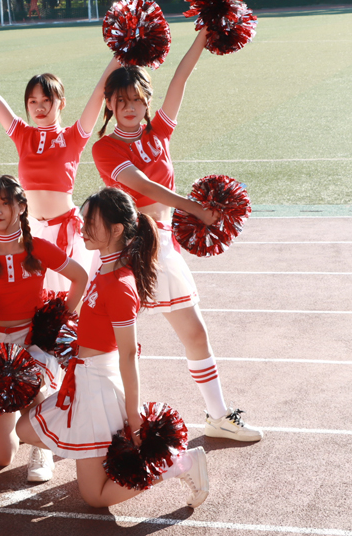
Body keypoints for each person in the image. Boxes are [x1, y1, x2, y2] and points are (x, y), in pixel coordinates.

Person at [91, 28, 262, 442]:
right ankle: (89, 418)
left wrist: (204, 34)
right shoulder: (105, 149)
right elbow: (144, 187)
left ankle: (218, 415)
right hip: (126, 251)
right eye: (120, 101)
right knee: (105, 342)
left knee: (195, 333)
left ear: (146, 101)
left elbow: (181, 78)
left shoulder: (159, 134)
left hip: (163, 248)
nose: (129, 107)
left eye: (136, 99)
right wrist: (195, 209)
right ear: (109, 104)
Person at [16, 187, 209, 508]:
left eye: (91, 222)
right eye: (83, 220)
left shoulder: (120, 285)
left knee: (95, 497)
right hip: (83, 381)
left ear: (116, 230)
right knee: (26, 429)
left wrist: (133, 415)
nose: (83, 227)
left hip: (98, 389)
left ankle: (179, 464)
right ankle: (98, 457)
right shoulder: (103, 269)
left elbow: (129, 354)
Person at [0, 174, 88, 482]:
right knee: (1, 458)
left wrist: (58, 320)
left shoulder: (40, 248)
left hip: (32, 340)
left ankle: (42, 446)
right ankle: (16, 419)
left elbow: (80, 277)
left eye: (4, 203)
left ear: (21, 207)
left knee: (35, 389)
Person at [0, 52, 122, 292]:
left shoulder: (74, 136)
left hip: (66, 232)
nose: (39, 107)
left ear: (62, 103)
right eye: (32, 101)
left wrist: (119, 54)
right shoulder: (23, 134)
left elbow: (99, 92)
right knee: (35, 299)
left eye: (46, 100)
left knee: (72, 300)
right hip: (30, 232)